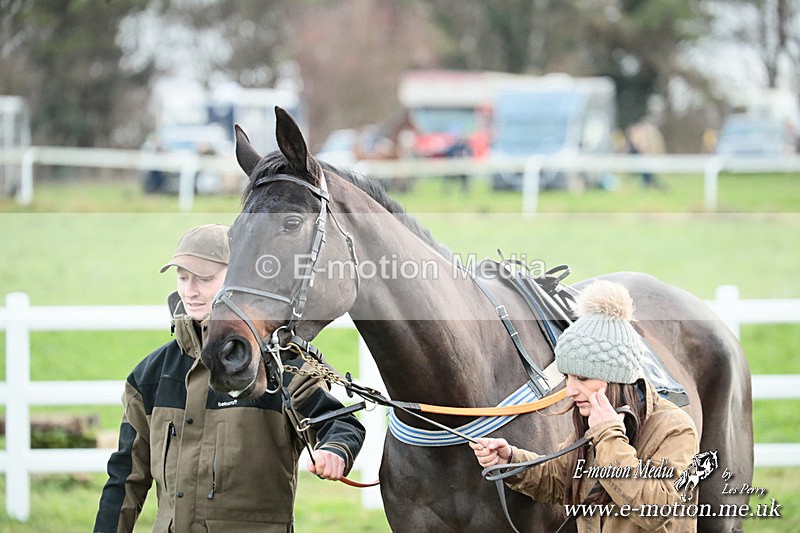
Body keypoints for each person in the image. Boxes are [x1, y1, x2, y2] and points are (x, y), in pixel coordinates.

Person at [94, 224, 365, 532]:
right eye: (183, 277)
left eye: (204, 279)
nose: (190, 290)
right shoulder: (150, 375)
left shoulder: (279, 366)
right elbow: (124, 480)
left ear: (238, 277)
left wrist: (335, 450)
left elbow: (339, 422)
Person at [471, 280, 699, 532]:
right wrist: (511, 461)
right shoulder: (595, 421)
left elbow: (655, 511)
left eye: (582, 378)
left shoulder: (674, 428)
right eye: (567, 377)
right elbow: (560, 479)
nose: (571, 390)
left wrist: (608, 436)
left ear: (616, 378)